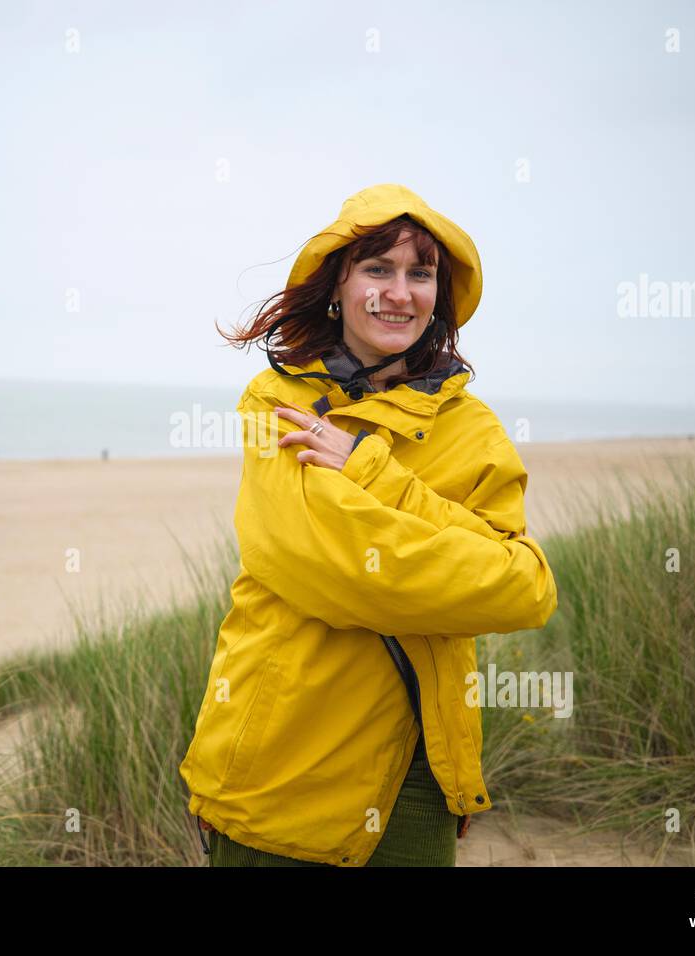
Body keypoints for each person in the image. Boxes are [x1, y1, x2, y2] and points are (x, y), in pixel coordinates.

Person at [178, 184, 558, 867]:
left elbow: (524, 587)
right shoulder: (279, 401)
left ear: (439, 295)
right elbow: (328, 569)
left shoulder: (472, 429)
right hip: (280, 761)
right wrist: (452, 565)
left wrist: (368, 472)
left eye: (420, 274)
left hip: (416, 772)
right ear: (338, 285)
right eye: (377, 269)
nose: (399, 292)